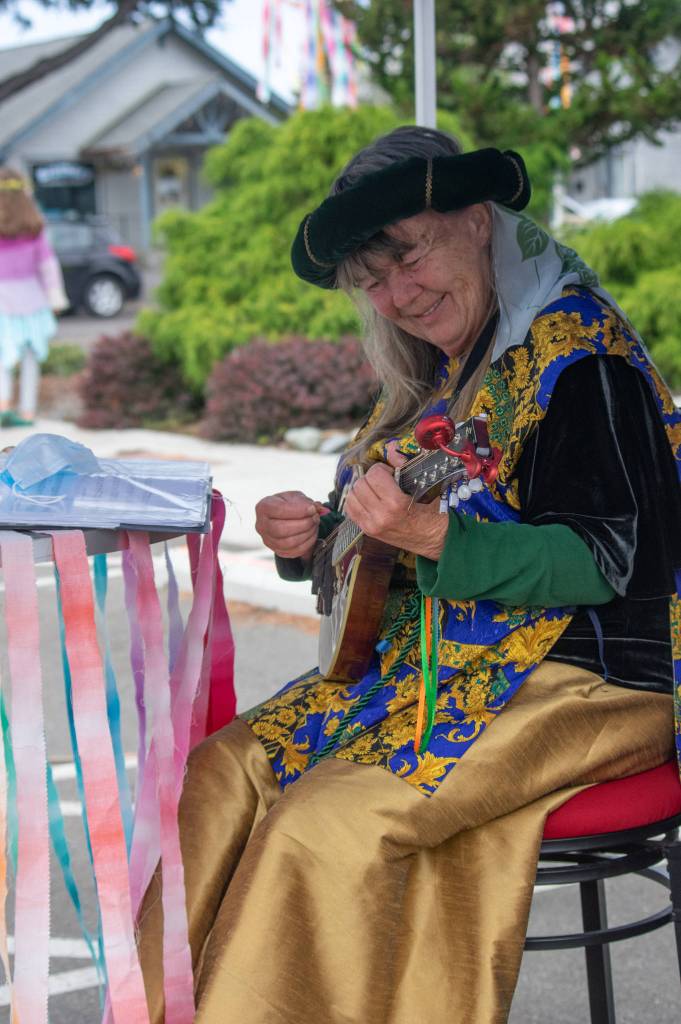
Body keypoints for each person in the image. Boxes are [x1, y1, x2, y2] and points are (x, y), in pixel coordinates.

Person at [138, 127, 681, 1023]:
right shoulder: (441, 376)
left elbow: (609, 561)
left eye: (408, 256)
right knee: (221, 772)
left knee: (324, 824)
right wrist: (311, 540)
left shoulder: (584, 359)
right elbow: (381, 559)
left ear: (475, 222)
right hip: (437, 668)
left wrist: (431, 534)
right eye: (373, 282)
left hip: (588, 681)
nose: (397, 296)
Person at [0, 167, 68, 427]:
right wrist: (56, 299)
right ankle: (27, 411)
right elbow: (48, 266)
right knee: (31, 357)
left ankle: (3, 404)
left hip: (2, 300)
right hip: (31, 298)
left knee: (2, 356)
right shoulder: (34, 228)